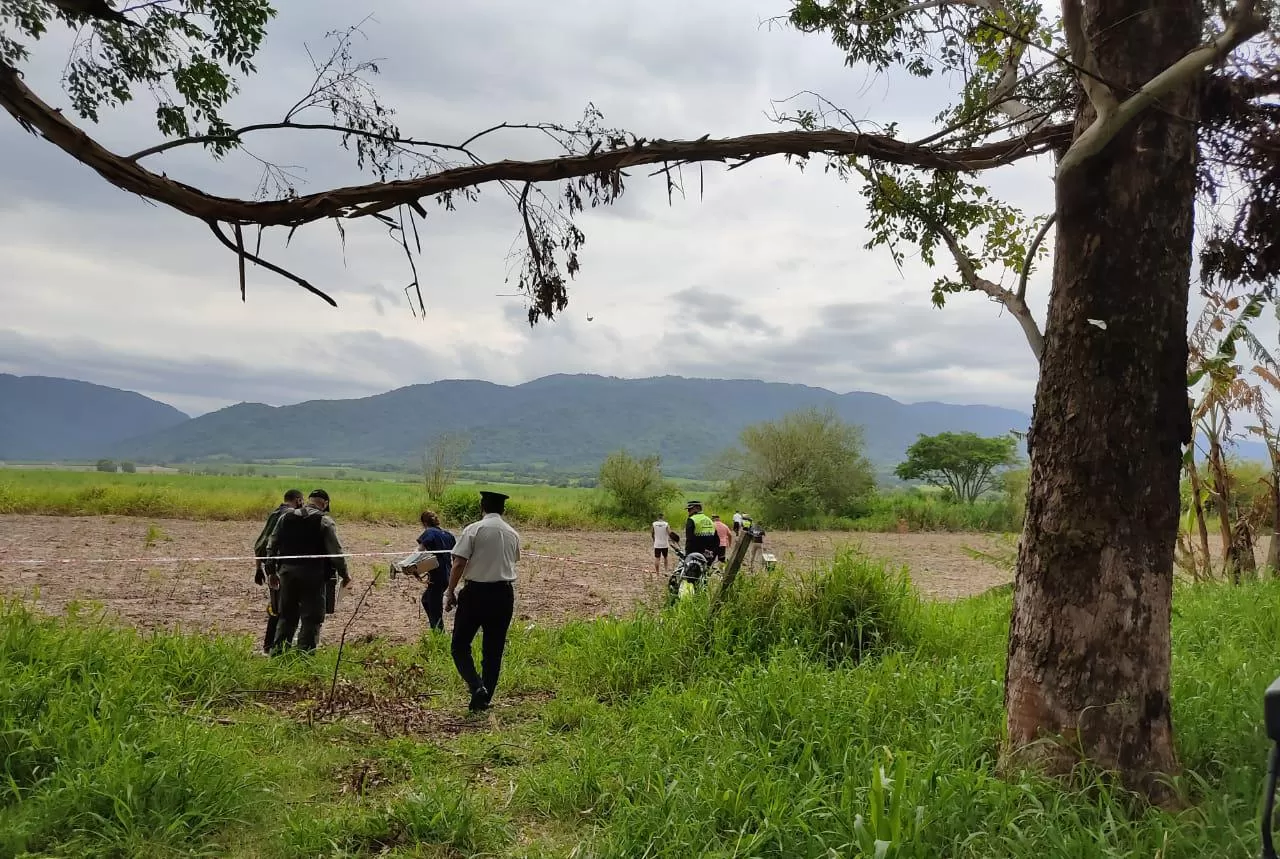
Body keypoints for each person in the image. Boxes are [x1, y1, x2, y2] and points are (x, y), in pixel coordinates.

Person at [446, 490, 521, 712]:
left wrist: (450, 591)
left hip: (475, 593)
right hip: (503, 595)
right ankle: (484, 699)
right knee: (493, 650)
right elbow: (513, 559)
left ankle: (476, 686)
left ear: (482, 507)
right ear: (503, 510)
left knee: (459, 645)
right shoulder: (512, 533)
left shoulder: (474, 529)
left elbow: (459, 563)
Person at [265, 488, 349, 654]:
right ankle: (304, 656)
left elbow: (271, 546)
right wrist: (345, 574)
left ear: (308, 500)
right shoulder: (325, 521)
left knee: (286, 616)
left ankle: (278, 655)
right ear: (324, 504)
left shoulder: (285, 517)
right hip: (314, 576)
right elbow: (336, 553)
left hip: (287, 574)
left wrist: (271, 572)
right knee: (312, 618)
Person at [252, 488, 303, 654]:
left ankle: (269, 646)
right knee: (284, 608)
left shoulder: (275, 513)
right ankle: (274, 646)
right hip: (281, 568)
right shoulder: (289, 516)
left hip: (269, 566)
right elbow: (271, 544)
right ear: (298, 500)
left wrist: (259, 568)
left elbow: (261, 543)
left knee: (275, 606)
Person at [416, 511, 456, 631]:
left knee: (434, 607)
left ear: (424, 523)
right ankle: (436, 630)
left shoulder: (429, 532)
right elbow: (455, 556)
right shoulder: (449, 535)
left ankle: (438, 633)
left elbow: (419, 550)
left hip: (437, 576)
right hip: (447, 574)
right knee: (426, 600)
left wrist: (409, 564)